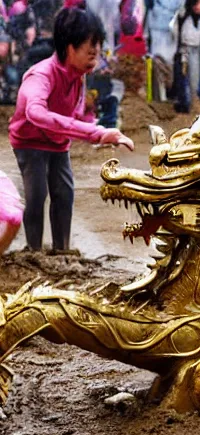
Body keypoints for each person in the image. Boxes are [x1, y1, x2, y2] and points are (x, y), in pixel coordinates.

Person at [8, 7, 134, 253]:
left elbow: (78, 115)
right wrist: (94, 132)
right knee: (36, 195)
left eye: (96, 52)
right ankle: (34, 252)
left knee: (64, 192)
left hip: (59, 142)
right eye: (90, 52)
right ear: (70, 49)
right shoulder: (40, 76)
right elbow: (36, 113)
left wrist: (101, 132)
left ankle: (62, 251)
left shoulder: (79, 75)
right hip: (30, 142)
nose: (94, 59)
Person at [170, 0, 200, 110]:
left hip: (196, 50)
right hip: (185, 51)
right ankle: (186, 103)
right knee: (186, 78)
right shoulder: (184, 18)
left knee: (195, 77)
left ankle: (193, 100)